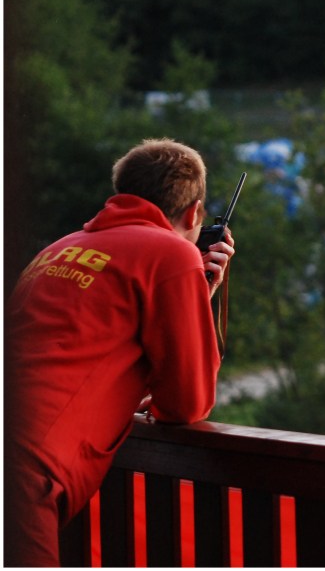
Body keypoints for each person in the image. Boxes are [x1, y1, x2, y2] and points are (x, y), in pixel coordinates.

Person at [5, 139, 236, 567]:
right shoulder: (174, 254)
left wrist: (193, 295)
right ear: (194, 214)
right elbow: (189, 403)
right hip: (25, 472)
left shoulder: (56, 250)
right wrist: (191, 278)